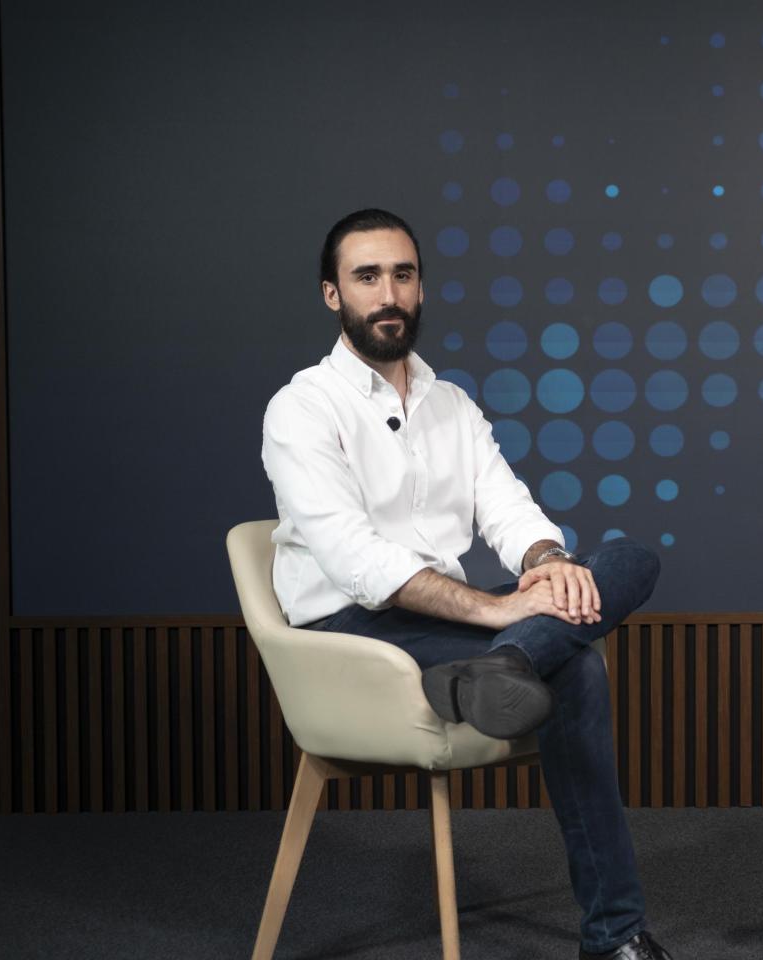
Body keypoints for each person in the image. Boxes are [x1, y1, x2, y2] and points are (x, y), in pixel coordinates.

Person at [260, 208, 673, 960]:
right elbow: (357, 562)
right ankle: (614, 935)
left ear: (421, 287)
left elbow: (507, 507)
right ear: (332, 294)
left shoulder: (450, 403)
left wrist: (549, 562)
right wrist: (497, 609)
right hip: (349, 635)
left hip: (445, 632)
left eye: (403, 275)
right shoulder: (301, 408)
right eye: (367, 277)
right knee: (578, 666)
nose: (389, 294)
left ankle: (510, 662)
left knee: (629, 558)